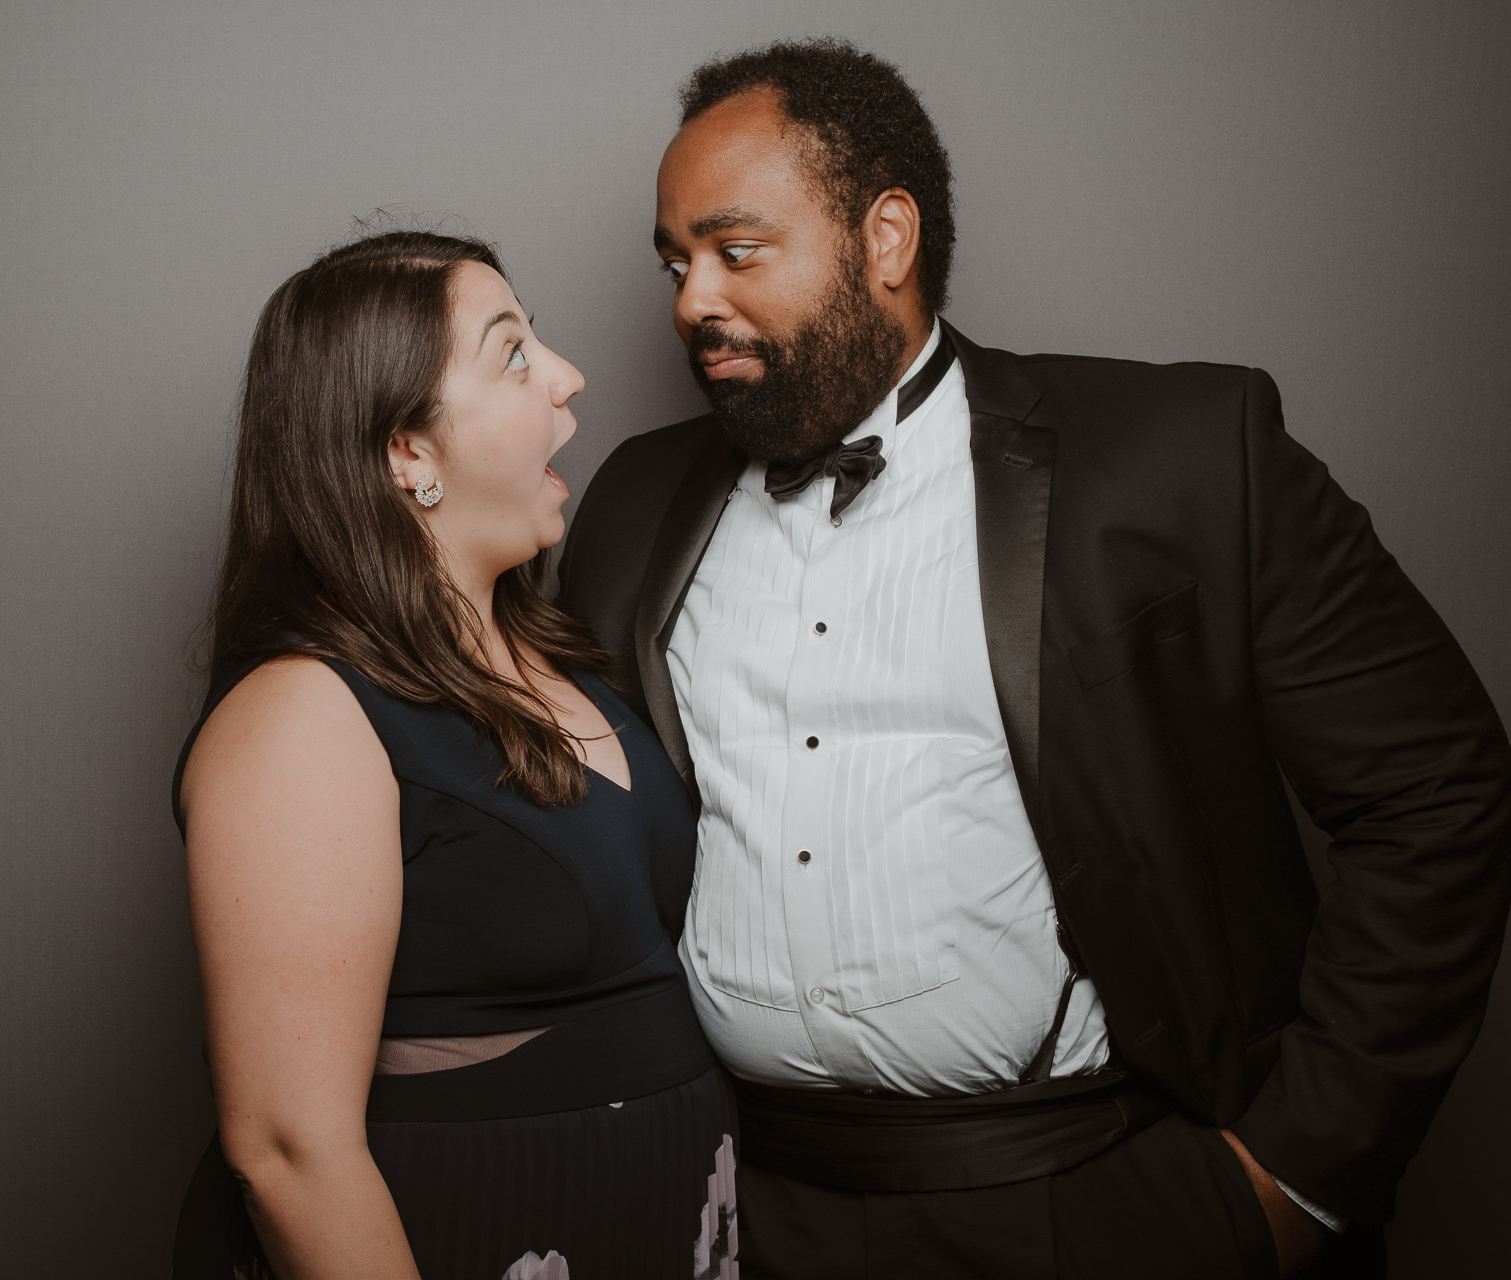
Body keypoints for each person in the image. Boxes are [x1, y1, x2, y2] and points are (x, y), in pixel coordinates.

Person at [555, 37, 1511, 1280]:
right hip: (745, 1203)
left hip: (1090, 1200)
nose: (690, 299)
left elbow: (1435, 790)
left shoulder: (1179, 456)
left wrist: (1295, 1174)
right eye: (676, 262)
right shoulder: (632, 498)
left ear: (883, 238)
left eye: (736, 252)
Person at [170, 230, 742, 1280]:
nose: (568, 379)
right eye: (513, 353)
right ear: (408, 453)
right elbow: (288, 1148)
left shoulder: (564, 655)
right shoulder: (302, 714)